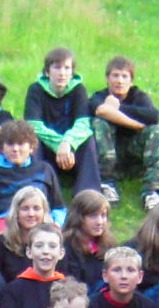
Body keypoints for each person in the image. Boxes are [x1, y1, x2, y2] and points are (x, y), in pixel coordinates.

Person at [26, 46, 104, 201]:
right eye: (57, 67)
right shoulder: (35, 90)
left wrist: (67, 143)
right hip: (48, 147)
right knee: (32, 140)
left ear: (72, 72)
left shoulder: (79, 90)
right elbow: (34, 125)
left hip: (71, 149)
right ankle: (37, 193)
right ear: (47, 71)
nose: (62, 73)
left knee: (88, 140)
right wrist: (59, 145)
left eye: (67, 68)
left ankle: (87, 196)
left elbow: (83, 124)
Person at [90, 56, 159, 208]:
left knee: (157, 131)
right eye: (115, 75)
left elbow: (153, 116)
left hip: (134, 155)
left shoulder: (139, 97)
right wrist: (136, 125)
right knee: (99, 123)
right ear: (107, 79)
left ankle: (152, 191)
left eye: (124, 76)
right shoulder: (99, 96)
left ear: (131, 81)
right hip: (110, 154)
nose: (119, 81)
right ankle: (106, 183)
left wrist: (118, 107)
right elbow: (101, 110)